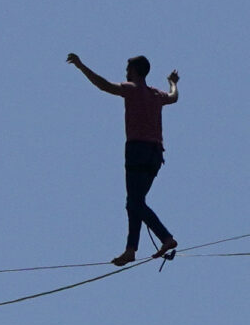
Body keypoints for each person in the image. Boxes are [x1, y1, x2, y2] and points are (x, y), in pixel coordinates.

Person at [66, 52, 179, 265]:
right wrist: (173, 83)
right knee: (134, 202)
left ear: (134, 72)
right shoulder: (156, 95)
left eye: (128, 70)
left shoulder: (132, 90)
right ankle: (131, 249)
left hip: (137, 151)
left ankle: (166, 237)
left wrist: (81, 66)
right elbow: (174, 97)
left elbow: (103, 85)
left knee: (135, 201)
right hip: (155, 156)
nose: (126, 73)